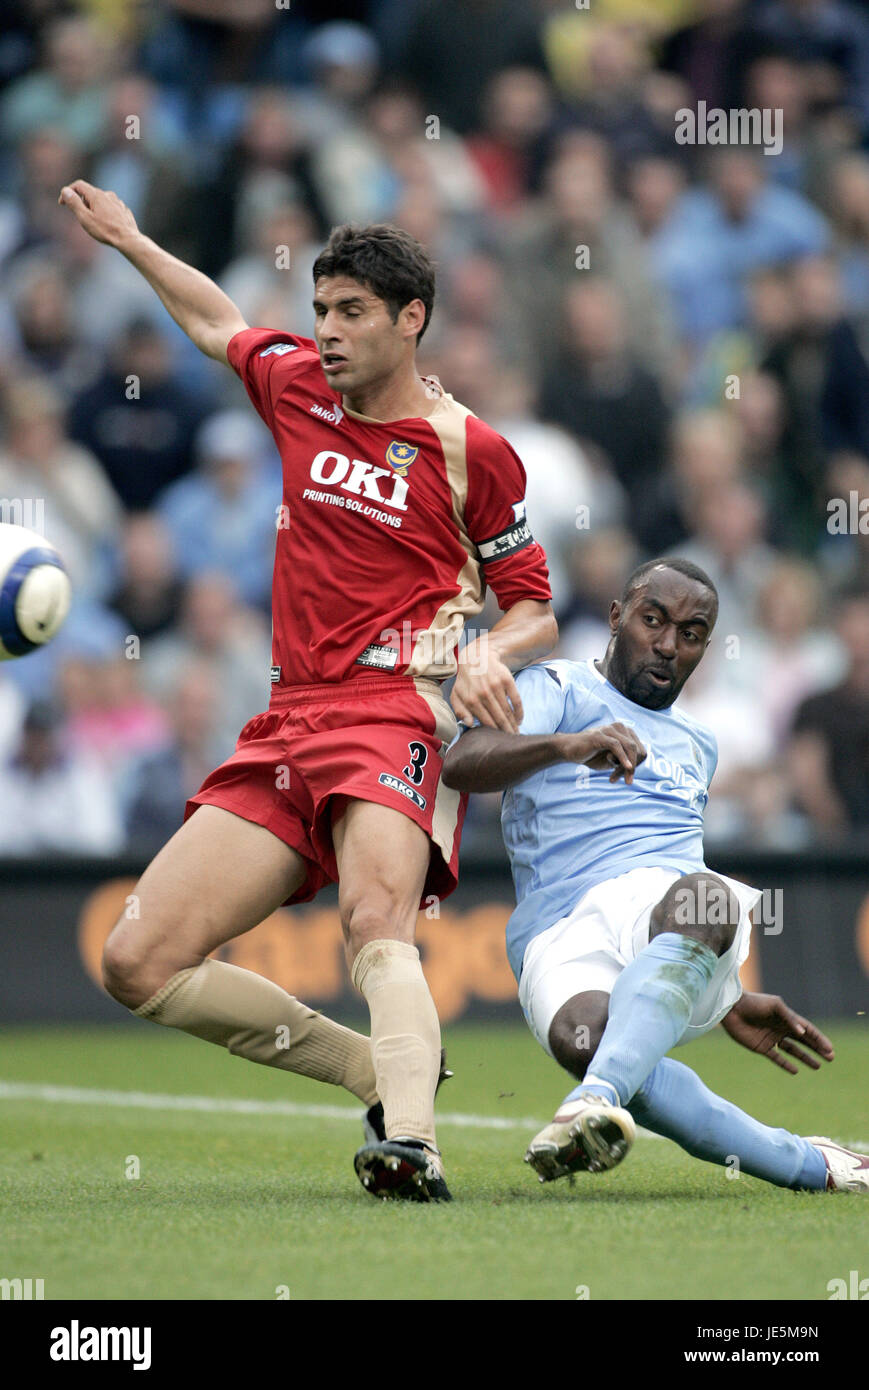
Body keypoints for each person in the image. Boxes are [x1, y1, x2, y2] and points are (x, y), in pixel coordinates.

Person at [58, 178, 557, 1203]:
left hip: (393, 707)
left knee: (375, 918)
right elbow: (218, 321)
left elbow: (534, 604)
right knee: (137, 961)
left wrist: (487, 654)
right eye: (321, 310)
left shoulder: (472, 452)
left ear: (409, 319)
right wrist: (133, 241)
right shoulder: (293, 389)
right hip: (287, 718)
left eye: (350, 313)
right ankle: (372, 1072)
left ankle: (410, 1144)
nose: (324, 331)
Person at [443, 558, 869, 1194]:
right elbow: (463, 761)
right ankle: (812, 1163)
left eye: (692, 633)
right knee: (585, 1039)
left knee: (706, 897)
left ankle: (594, 1101)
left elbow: (686, 881)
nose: (669, 645)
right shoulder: (557, 689)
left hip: (668, 904)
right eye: (654, 621)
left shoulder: (699, 742)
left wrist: (718, 991)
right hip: (557, 925)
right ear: (616, 617)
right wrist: (566, 745)